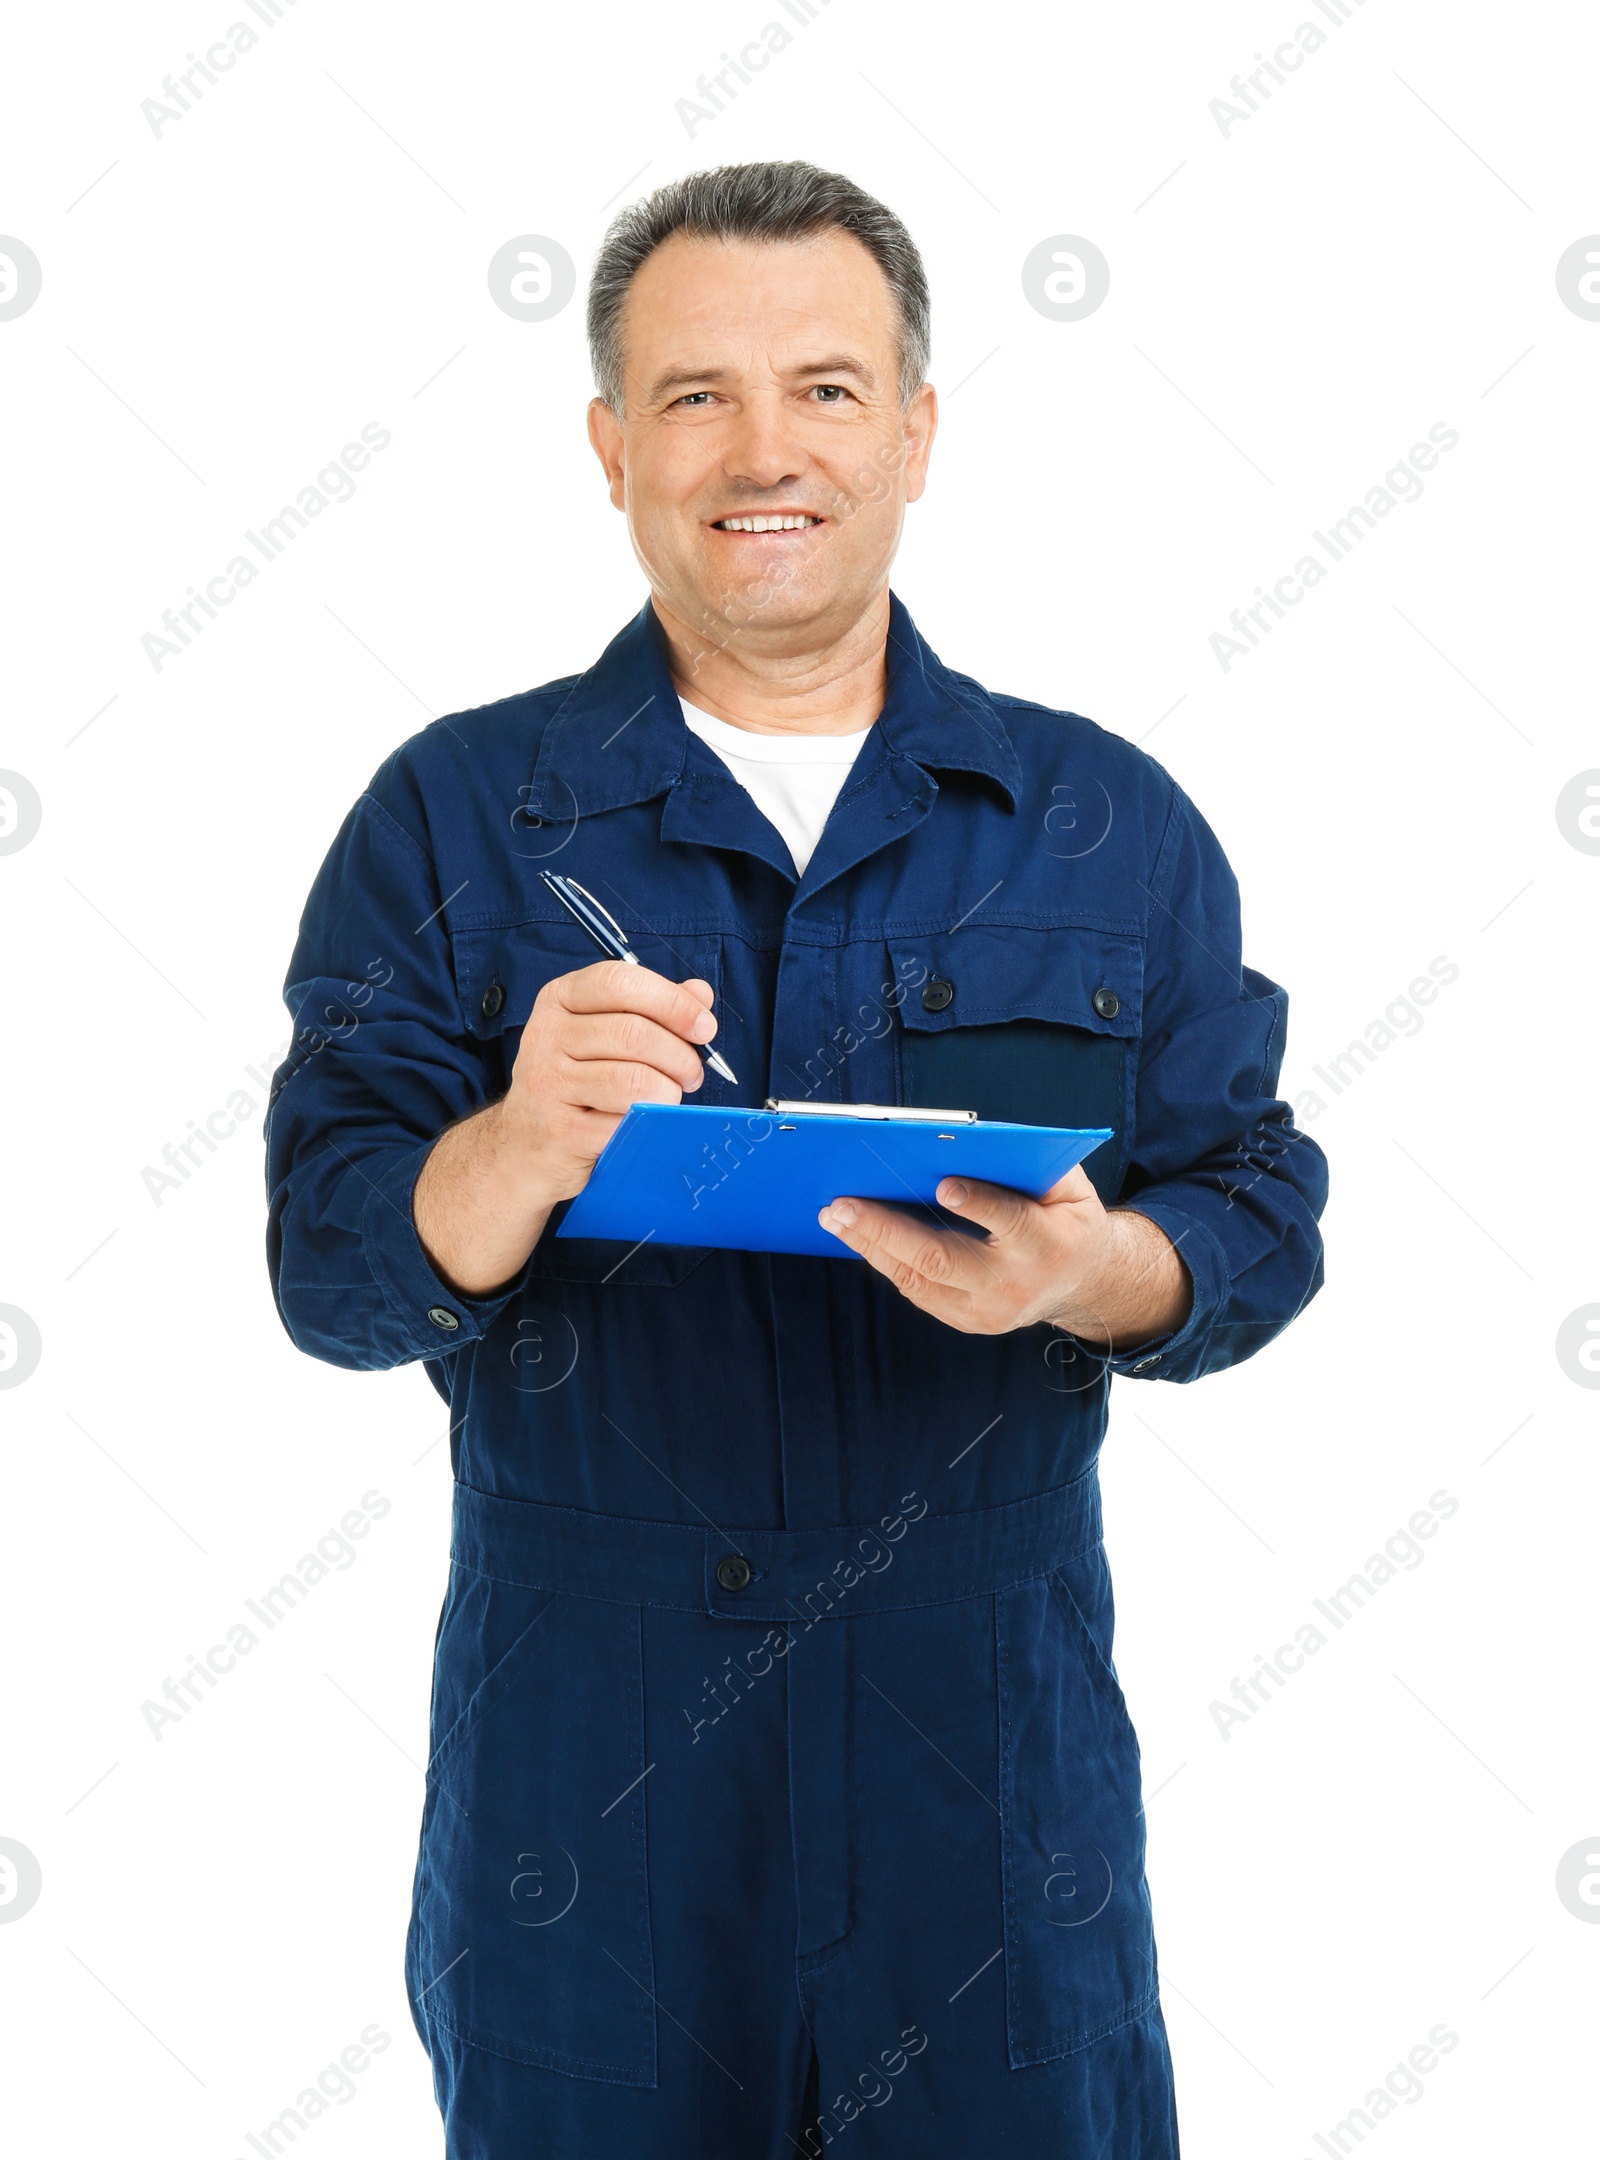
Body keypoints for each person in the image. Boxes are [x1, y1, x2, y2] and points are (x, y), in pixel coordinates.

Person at [265, 159, 1327, 2160]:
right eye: (694, 396)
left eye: (827, 390)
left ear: (915, 434)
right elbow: (327, 1270)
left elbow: (1252, 1207)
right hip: (588, 1790)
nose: (764, 451)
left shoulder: (1099, 822)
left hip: (985, 1778)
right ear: (607, 446)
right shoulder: (457, 818)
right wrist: (509, 1144)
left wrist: (1091, 1274)